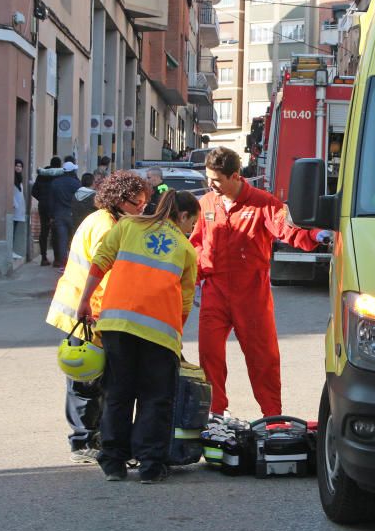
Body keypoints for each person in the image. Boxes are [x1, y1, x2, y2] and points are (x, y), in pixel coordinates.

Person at [189, 147, 332, 418]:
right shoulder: (206, 203)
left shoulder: (263, 203)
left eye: (216, 180)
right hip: (215, 292)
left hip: (251, 295)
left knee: (262, 359)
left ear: (235, 176)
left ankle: (272, 417)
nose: (211, 185)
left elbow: (288, 229)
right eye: (209, 178)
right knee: (210, 355)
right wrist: (192, 278)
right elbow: (196, 243)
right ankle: (216, 412)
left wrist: (316, 235)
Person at [77, 189, 198, 483]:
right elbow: (184, 301)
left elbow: (100, 260)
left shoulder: (128, 226)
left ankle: (114, 463)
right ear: (182, 216)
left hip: (118, 326)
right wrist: (176, 335)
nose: (191, 231)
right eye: (191, 224)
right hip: (159, 333)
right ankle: (150, 465)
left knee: (118, 393)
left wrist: (85, 300)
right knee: (156, 398)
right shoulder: (185, 248)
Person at [46, 171, 150, 464]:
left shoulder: (102, 219)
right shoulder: (106, 225)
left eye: (144, 203)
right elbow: (106, 276)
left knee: (89, 379)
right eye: (137, 203)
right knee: (86, 380)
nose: (142, 208)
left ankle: (91, 439)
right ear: (120, 199)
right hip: (89, 311)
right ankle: (82, 442)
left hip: (82, 306)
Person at [49, 158, 82, 271]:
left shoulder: (55, 183)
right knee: (74, 240)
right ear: (73, 171)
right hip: (73, 214)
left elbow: (51, 201)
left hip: (59, 214)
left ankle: (63, 264)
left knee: (62, 240)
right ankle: (75, 263)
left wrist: (51, 216)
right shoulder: (76, 183)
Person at [31, 156, 63, 265]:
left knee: (44, 231)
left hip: (43, 206)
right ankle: (57, 259)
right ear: (59, 165)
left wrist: (42, 199)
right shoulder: (60, 175)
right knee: (56, 232)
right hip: (55, 207)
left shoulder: (42, 174)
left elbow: (34, 191)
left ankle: (43, 258)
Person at [13, 159, 26, 260]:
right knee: (12, 231)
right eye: (16, 165)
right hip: (14, 209)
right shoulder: (12, 178)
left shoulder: (20, 179)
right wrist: (15, 205)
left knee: (14, 231)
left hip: (18, 209)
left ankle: (12, 251)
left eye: (20, 166)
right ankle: (11, 251)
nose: (18, 167)